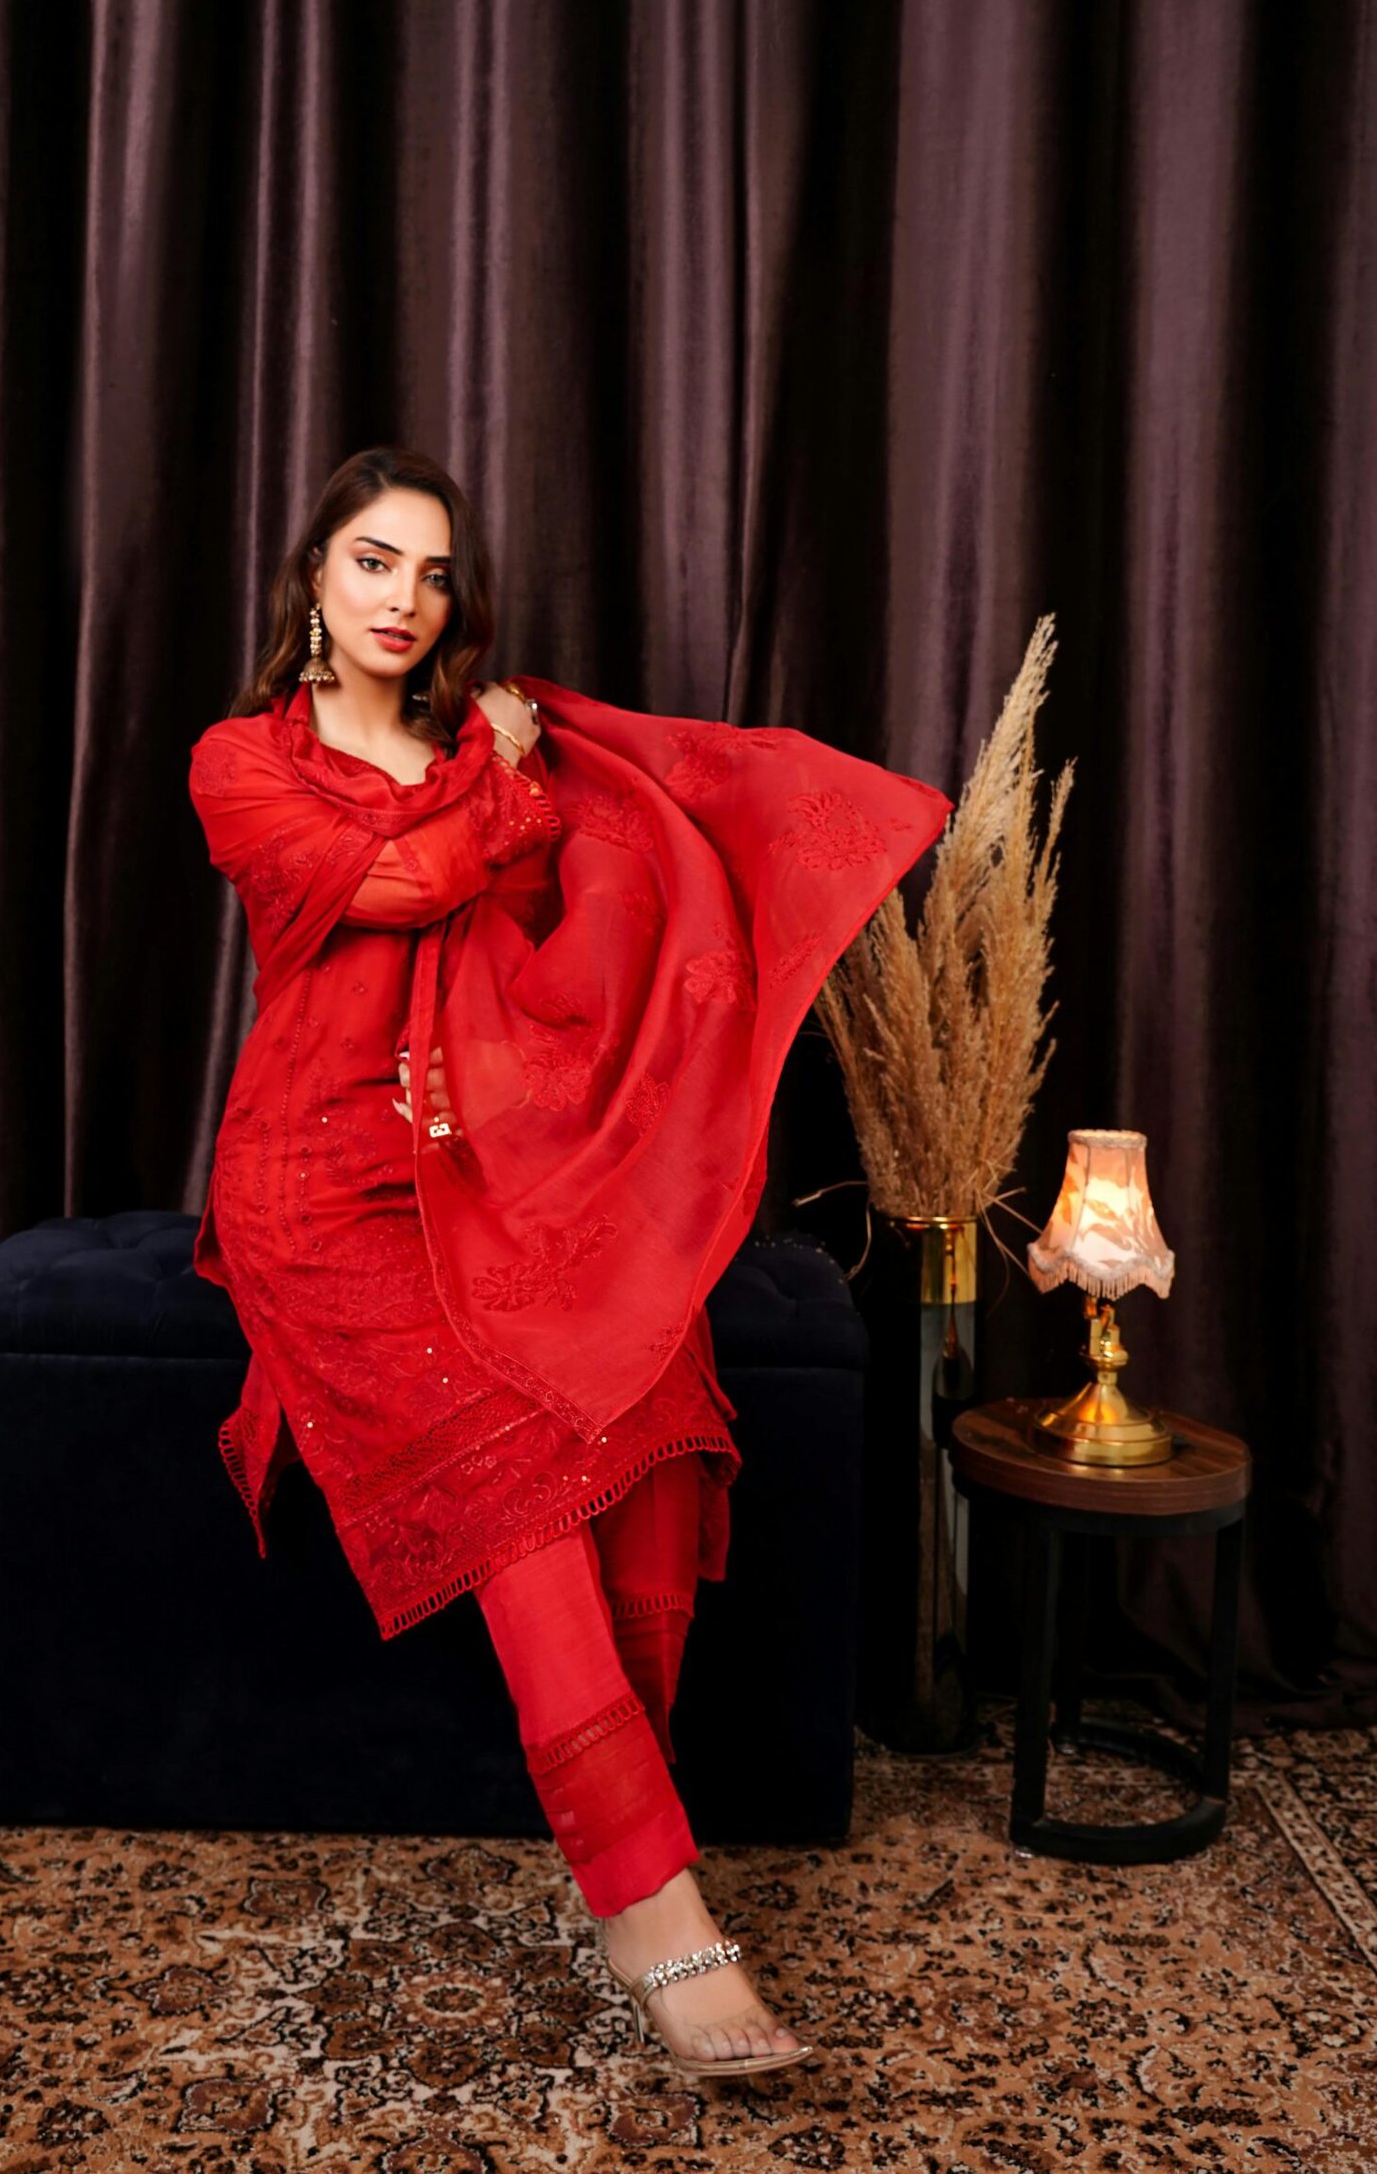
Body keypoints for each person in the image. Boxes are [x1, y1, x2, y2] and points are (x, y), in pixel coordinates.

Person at [188, 443, 949, 2079]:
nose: (407, 599)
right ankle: (652, 1912)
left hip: (483, 1162)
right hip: (315, 1187)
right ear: (312, 573)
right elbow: (402, 882)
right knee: (523, 1460)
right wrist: (509, 778)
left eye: (435, 572)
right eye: (376, 561)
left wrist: (560, 800)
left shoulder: (488, 740)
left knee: (641, 1404)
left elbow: (559, 933)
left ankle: (636, 1827)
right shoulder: (240, 763)